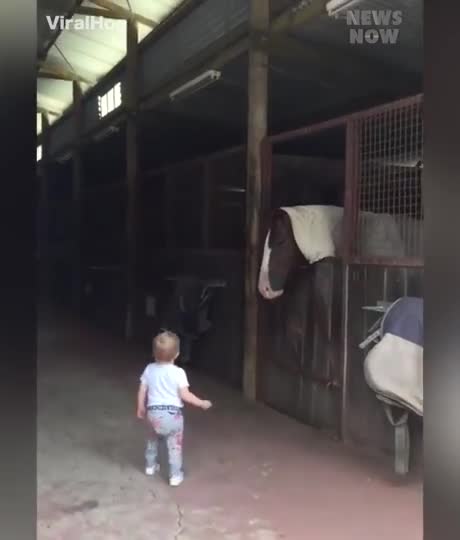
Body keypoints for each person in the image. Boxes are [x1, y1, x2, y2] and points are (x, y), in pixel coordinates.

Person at [136, 330, 212, 487]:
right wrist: (201, 402)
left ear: (154, 353)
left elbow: (142, 390)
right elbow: (185, 395)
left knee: (152, 440)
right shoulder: (178, 372)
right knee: (174, 446)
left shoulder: (149, 369)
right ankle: (175, 476)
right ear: (177, 354)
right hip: (172, 417)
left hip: (153, 415)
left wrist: (140, 407)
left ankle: (150, 466)